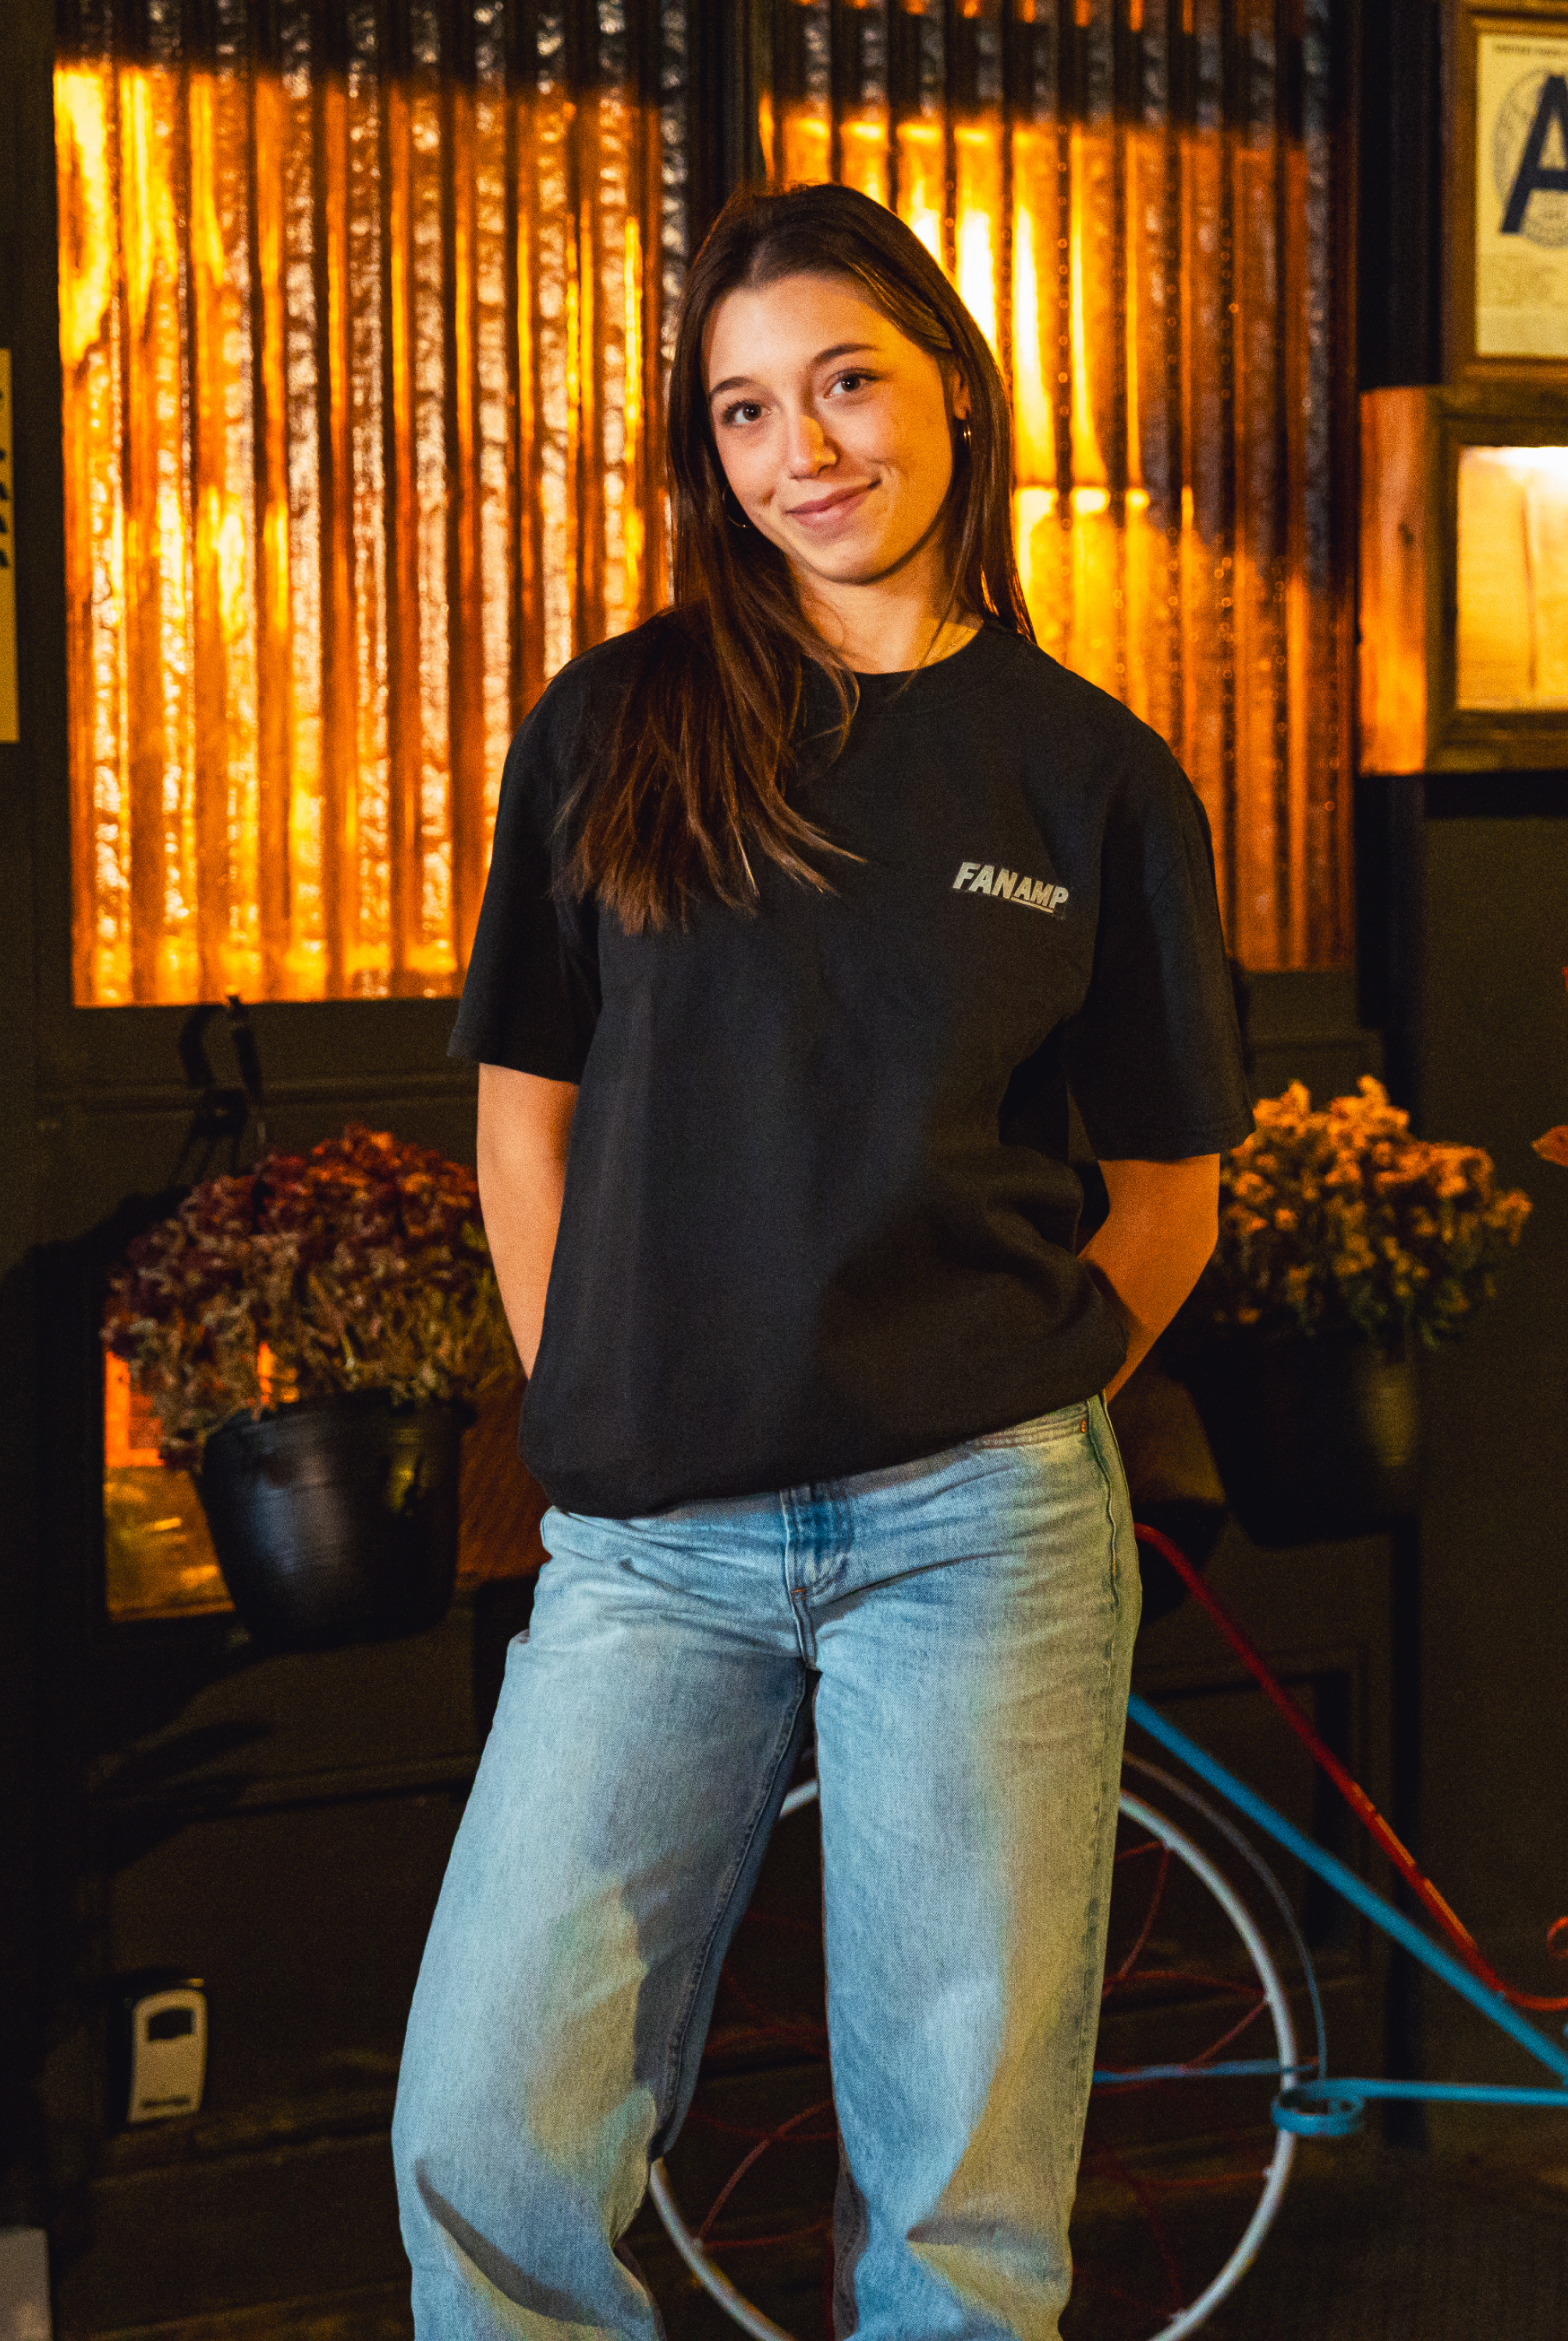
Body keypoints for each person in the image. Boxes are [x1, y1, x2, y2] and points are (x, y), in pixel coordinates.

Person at [392, 180, 1253, 2340]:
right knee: (488, 2143)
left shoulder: (1095, 780)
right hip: (647, 1549)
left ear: (951, 385)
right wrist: (612, 1387)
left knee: (956, 2217)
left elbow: (1169, 1187)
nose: (806, 453)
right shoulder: (617, 731)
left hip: (984, 1541)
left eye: (847, 382)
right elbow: (529, 1111)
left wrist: (991, 1398)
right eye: (748, 412)